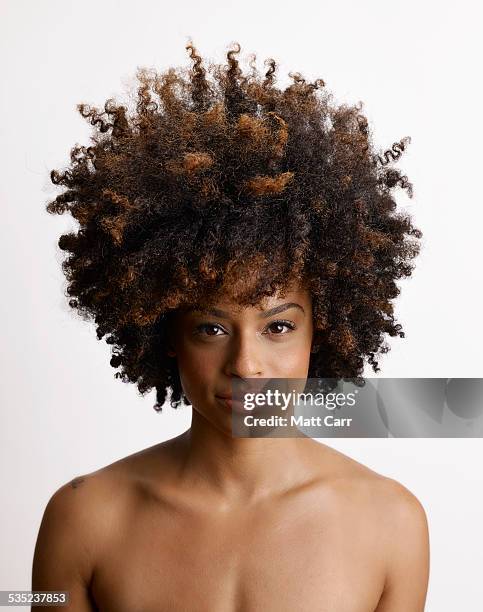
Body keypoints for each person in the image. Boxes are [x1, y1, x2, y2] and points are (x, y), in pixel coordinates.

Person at [32, 41, 429, 611]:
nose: (246, 365)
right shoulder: (83, 519)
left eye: (278, 327)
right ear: (163, 332)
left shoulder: (392, 524)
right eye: (211, 328)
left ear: (325, 328)